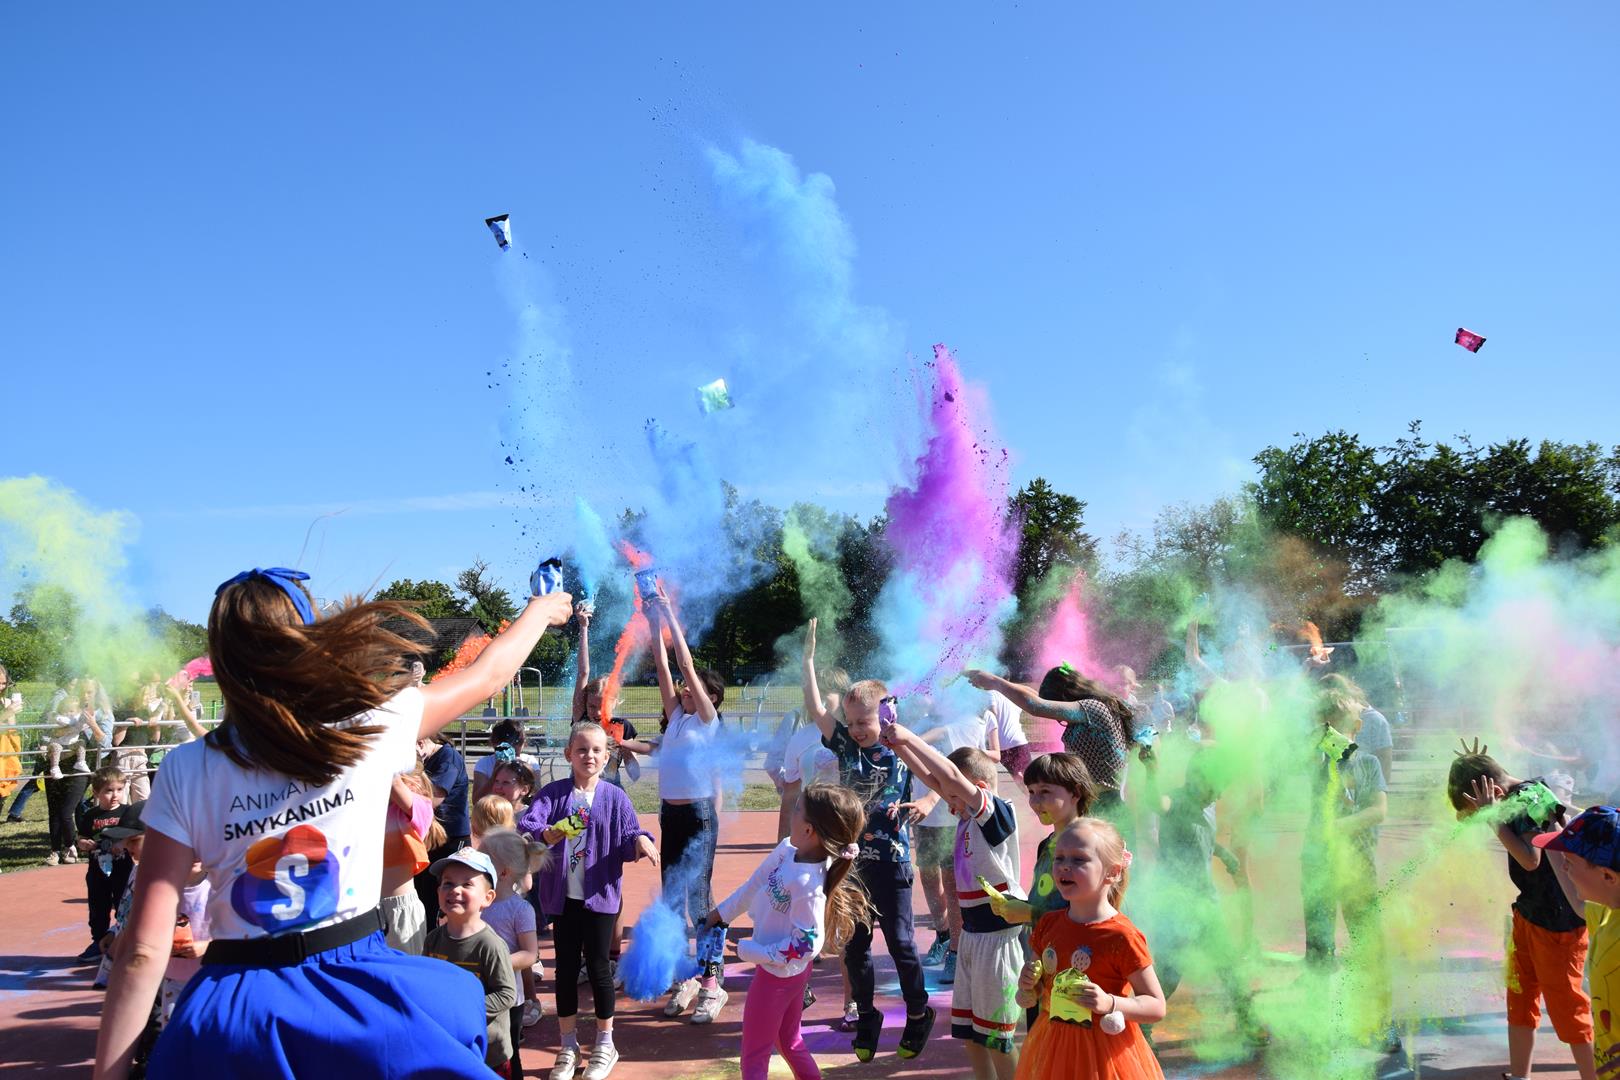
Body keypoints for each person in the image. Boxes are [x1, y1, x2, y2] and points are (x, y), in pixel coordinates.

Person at [93, 563, 574, 1079]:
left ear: (224, 661)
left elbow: (143, 950)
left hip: (235, 1005)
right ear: (308, 645)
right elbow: (488, 675)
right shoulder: (366, 728)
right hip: (352, 986)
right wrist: (541, 610)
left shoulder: (186, 767)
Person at [800, 620, 933, 1063]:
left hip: (892, 863)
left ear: (885, 717)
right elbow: (817, 707)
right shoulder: (844, 747)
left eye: (865, 722)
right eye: (853, 722)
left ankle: (918, 1013)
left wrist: (929, 802)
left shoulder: (900, 745)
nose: (857, 729)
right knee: (855, 944)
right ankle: (869, 1014)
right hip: (853, 862)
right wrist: (808, 661)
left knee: (900, 942)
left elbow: (941, 775)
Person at [883, 724, 1023, 1079]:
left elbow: (947, 776)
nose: (949, 803)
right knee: (971, 1035)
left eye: (955, 795)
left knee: (996, 1037)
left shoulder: (994, 812)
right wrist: (899, 747)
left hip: (996, 942)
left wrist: (910, 736)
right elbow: (936, 778)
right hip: (973, 941)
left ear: (977, 788)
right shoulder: (965, 813)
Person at [520, 720, 658, 1080]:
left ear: (607, 754)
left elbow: (632, 833)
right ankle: (567, 1045)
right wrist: (548, 832)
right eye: (581, 749)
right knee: (565, 969)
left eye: (597, 749)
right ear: (569, 754)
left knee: (598, 968)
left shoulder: (614, 797)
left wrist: (642, 841)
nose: (589, 756)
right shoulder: (553, 793)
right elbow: (530, 827)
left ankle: (605, 1042)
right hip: (563, 898)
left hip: (599, 897)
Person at [1449, 743, 1595, 1080]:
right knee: (1520, 997)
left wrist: (1491, 820)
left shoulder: (1525, 802)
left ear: (1494, 791)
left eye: (1477, 809)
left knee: (1567, 1008)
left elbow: (1531, 860)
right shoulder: (1520, 794)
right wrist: (1470, 770)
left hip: (1558, 924)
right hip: (1529, 913)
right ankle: (1520, 1076)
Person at [707, 783, 869, 1080]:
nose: (791, 813)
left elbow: (808, 943)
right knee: (788, 1041)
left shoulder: (808, 884)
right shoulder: (786, 851)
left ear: (809, 830)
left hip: (777, 980)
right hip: (786, 975)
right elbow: (753, 885)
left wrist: (754, 952)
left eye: (797, 810)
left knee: (754, 1057)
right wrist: (720, 914)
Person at [1014, 818, 1167, 1080]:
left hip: (1105, 1054)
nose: (1064, 867)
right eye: (1059, 858)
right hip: (1052, 1045)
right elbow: (1040, 988)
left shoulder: (1121, 935)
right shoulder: (1048, 925)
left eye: (1079, 860)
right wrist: (1029, 984)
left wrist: (1109, 1002)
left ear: (1113, 872)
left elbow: (1156, 1006)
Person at [644, 584, 728, 1024]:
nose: (683, 689)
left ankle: (713, 986)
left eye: (693, 688)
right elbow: (662, 662)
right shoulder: (676, 716)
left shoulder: (707, 722)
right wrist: (651, 620)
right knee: (673, 903)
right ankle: (686, 980)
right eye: (683, 689)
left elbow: (683, 662)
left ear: (710, 697)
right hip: (671, 814)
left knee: (699, 904)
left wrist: (670, 614)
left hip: (698, 816)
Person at [1302, 687, 1397, 1053]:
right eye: (1322, 728)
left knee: (1368, 945)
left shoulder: (1368, 763)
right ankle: (1316, 1026)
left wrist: (1338, 828)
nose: (1329, 736)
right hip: (1316, 870)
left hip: (1357, 867)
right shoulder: (1313, 763)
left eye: (1337, 728)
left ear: (1356, 728)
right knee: (1319, 949)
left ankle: (1379, 1023)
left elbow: (1378, 811)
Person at [963, 666, 1135, 823]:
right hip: (1092, 803)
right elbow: (1035, 697)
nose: (1057, 717)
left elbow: (1036, 706)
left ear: (1065, 695)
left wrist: (994, 682)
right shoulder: (1089, 711)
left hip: (1107, 808)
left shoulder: (1094, 709)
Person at [1536, 806, 1620, 1080]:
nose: (1564, 866)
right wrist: (1551, 828)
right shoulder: (1608, 914)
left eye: (1571, 862)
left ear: (1608, 876)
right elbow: (1578, 902)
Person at [424, 846, 521, 1075]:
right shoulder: (433, 940)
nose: (455, 890)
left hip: (489, 1054)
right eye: (447, 883)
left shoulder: (490, 945)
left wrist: (464, 1008)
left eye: (467, 884)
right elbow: (427, 984)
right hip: (449, 1046)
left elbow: (507, 994)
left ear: (487, 898)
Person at [480, 829, 549, 1080]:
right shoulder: (478, 903)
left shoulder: (520, 909)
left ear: (503, 871)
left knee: (508, 1054)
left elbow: (530, 954)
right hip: (479, 992)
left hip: (509, 996)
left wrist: (494, 964)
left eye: (483, 859)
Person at [572, 601, 651, 791]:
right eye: (592, 706)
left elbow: (635, 775)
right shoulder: (582, 719)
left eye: (604, 706)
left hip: (611, 791)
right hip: (581, 791)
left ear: (616, 702)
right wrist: (583, 627)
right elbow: (583, 672)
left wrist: (627, 749)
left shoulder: (622, 727)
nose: (597, 712)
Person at [75, 765, 134, 963]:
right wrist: (84, 844)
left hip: (122, 867)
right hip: (97, 868)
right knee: (98, 906)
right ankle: (98, 940)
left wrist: (124, 843)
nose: (115, 795)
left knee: (123, 904)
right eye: (109, 791)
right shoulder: (90, 815)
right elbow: (81, 837)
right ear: (96, 793)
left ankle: (123, 939)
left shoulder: (127, 813)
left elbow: (137, 836)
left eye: (119, 789)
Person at [381, 765, 443, 954]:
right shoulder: (375, 809)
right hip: (367, 907)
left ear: (415, 784)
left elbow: (391, 779)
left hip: (399, 910)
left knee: (401, 976)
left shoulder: (422, 806)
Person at [415, 730, 473, 921]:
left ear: (421, 743)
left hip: (452, 838)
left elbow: (432, 799)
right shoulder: (426, 759)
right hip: (429, 838)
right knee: (425, 897)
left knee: (451, 896)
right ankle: (429, 941)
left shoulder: (447, 758)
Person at [473, 718, 539, 804]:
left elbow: (538, 794)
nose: (513, 749)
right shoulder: (484, 764)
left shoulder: (530, 761)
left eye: (518, 743)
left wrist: (524, 772)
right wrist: (495, 775)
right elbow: (476, 801)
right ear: (494, 744)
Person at [982, 689, 1032, 783]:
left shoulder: (990, 693)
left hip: (1003, 744)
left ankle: (1030, 796)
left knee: (1018, 777)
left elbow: (993, 712)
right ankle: (1031, 796)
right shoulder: (1014, 696)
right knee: (1028, 776)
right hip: (1019, 741)